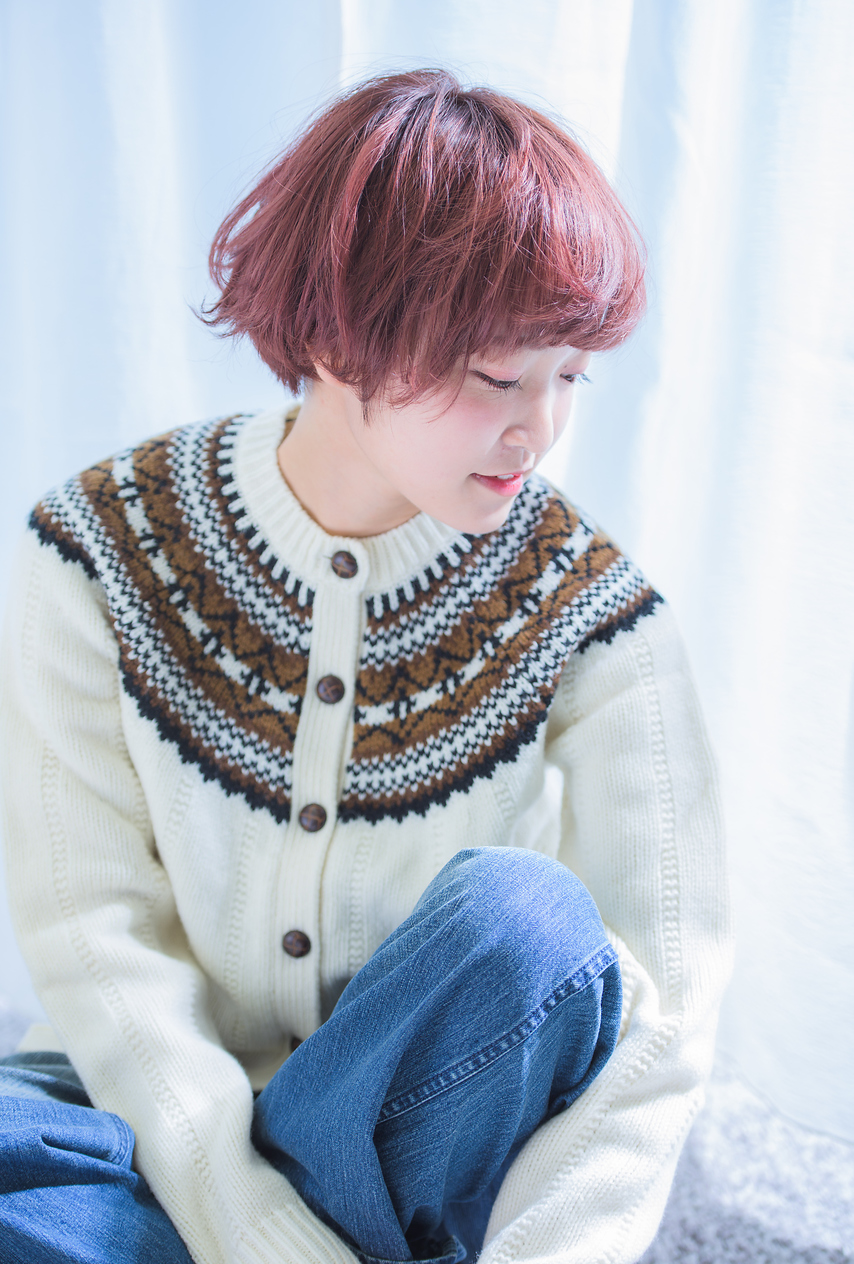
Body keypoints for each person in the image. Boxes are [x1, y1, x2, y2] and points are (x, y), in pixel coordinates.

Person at [0, 69, 731, 1264]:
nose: (538, 428)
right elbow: (95, 932)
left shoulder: (592, 608)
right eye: (497, 375)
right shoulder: (97, 550)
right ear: (339, 332)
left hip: (428, 1121)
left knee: (525, 924)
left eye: (567, 375)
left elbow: (665, 1003)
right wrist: (251, 1223)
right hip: (155, 1120)